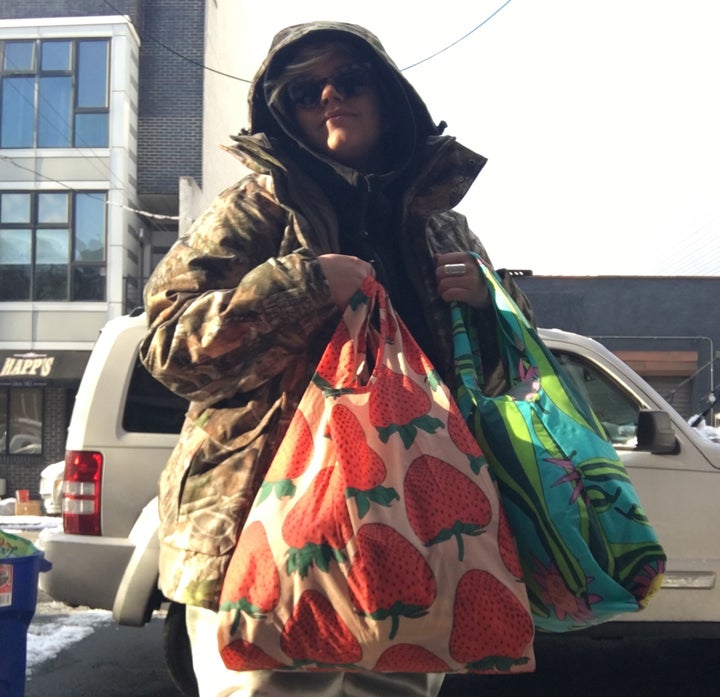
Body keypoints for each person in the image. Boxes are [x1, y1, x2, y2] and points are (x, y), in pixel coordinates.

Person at [139, 20, 534, 697]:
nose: (327, 97)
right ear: (281, 112)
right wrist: (299, 287)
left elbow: (507, 382)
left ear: (387, 94)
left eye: (347, 80)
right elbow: (168, 344)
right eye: (301, 91)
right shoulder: (256, 208)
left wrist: (488, 312)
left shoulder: (442, 226)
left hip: (415, 536)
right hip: (260, 530)